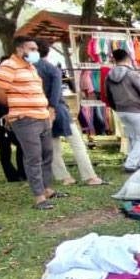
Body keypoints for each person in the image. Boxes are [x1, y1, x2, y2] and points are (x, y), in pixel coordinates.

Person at [0, 35, 59, 211]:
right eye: (32, 49)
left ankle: (47, 189)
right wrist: (17, 107)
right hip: (25, 119)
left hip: (42, 116)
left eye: (36, 49)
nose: (36, 52)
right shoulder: (8, 66)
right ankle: (39, 197)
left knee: (47, 153)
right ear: (20, 49)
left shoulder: (31, 67)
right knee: (33, 157)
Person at [35, 41, 104, 186]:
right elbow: (55, 93)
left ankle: (64, 177)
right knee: (77, 143)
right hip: (58, 109)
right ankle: (89, 176)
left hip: (41, 110)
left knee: (53, 146)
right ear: (47, 52)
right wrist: (52, 108)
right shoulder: (51, 68)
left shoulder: (30, 68)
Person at [106, 48, 140, 172]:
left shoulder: (109, 76)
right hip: (136, 109)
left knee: (133, 138)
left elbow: (108, 95)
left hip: (121, 110)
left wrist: (116, 107)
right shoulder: (131, 73)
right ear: (128, 58)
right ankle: (130, 164)